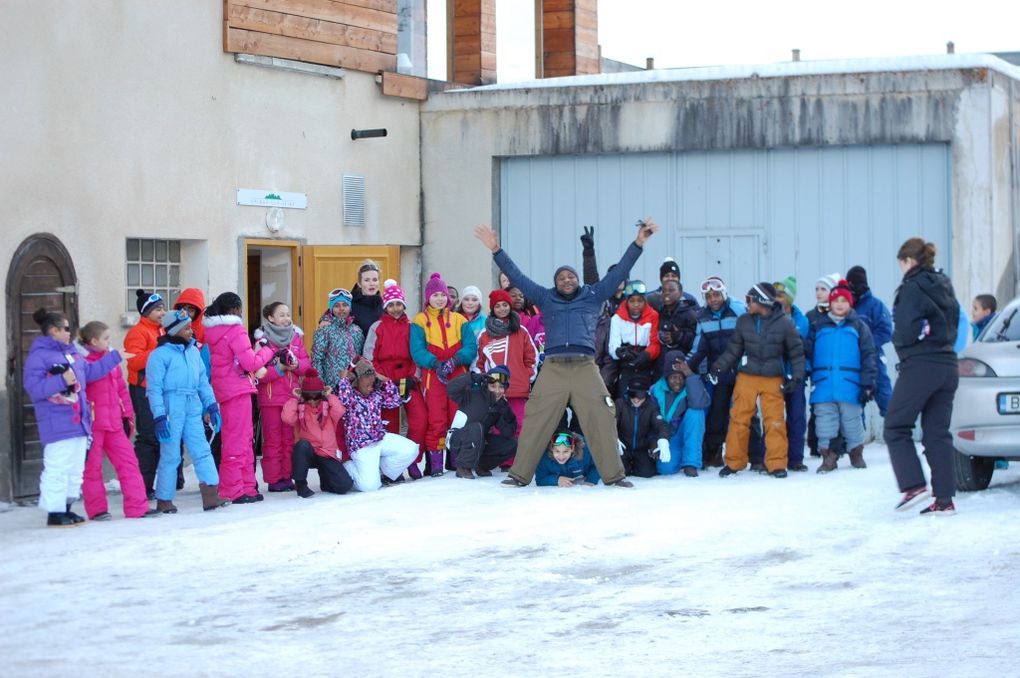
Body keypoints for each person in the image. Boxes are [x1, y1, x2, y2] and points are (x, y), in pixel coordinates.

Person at [474, 217, 658, 488]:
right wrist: (496, 250)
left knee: (602, 416)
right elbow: (518, 277)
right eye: (561, 277)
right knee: (536, 417)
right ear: (555, 283)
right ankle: (519, 475)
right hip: (554, 368)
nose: (567, 280)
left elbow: (619, 273)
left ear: (578, 279)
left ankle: (614, 475)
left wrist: (639, 243)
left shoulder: (593, 295)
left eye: (571, 276)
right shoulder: (545, 297)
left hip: (585, 367)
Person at [23, 308, 124, 527]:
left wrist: (115, 357)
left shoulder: (71, 353)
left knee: (75, 468)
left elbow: (89, 373)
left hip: (79, 422)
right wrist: (62, 380)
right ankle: (54, 511)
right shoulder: (39, 357)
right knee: (58, 467)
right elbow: (34, 388)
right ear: (53, 330)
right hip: (57, 422)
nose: (70, 332)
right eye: (66, 328)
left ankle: (66, 508)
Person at [884, 238, 962, 515]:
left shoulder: (911, 287)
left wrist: (905, 346)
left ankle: (914, 486)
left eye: (900, 264)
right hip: (948, 364)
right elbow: (955, 322)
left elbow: (905, 329)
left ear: (908, 261)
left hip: (921, 364)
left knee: (895, 426)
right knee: (937, 433)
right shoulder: (944, 285)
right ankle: (944, 500)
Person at [712, 283, 805, 478]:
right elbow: (734, 349)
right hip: (747, 375)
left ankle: (777, 464)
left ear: (761, 301)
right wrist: (718, 367)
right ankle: (734, 462)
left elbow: (796, 353)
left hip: (773, 377)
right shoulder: (744, 321)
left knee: (774, 420)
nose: (747, 304)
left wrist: (796, 377)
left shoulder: (785, 323)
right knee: (738, 417)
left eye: (750, 300)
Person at [145, 310, 228, 513]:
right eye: (186, 328)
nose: (191, 331)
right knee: (171, 454)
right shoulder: (159, 355)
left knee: (201, 448)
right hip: (171, 407)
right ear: (174, 330)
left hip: (192, 404)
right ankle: (164, 499)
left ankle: (210, 494)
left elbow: (202, 382)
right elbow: (154, 389)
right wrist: (159, 416)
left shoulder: (193, 352)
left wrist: (211, 405)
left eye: (190, 326)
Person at [203, 292, 276, 504]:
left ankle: (246, 486)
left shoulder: (213, 330)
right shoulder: (235, 329)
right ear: (235, 309)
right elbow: (251, 363)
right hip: (237, 389)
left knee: (242, 438)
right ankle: (233, 489)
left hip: (226, 389)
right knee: (239, 439)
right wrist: (267, 352)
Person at [78, 321, 154, 520]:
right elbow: (91, 376)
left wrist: (127, 415)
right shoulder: (83, 360)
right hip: (94, 424)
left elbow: (121, 390)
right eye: (105, 338)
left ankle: (138, 507)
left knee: (128, 463)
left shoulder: (111, 360)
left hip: (113, 422)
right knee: (92, 468)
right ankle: (97, 510)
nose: (109, 342)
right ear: (93, 341)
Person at [685, 276, 764, 469]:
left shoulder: (737, 309)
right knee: (717, 415)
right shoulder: (702, 316)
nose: (713, 299)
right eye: (709, 295)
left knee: (748, 413)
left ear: (724, 293)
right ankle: (713, 455)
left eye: (717, 294)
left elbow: (753, 338)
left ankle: (756, 458)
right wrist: (686, 365)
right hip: (718, 374)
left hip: (741, 373)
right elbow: (698, 347)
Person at [804, 280, 876, 473]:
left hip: (849, 384)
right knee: (824, 422)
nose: (840, 304)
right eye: (837, 300)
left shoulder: (859, 327)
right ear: (831, 303)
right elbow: (807, 352)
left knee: (852, 421)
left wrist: (868, 383)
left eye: (844, 300)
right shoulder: (818, 326)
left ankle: (856, 453)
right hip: (823, 384)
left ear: (850, 303)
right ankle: (829, 457)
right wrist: (806, 370)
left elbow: (869, 355)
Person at [410, 272, 478, 475]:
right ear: (428, 298)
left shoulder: (459, 320)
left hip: (458, 375)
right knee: (436, 419)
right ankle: (436, 464)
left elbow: (470, 347)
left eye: (442, 295)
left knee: (458, 418)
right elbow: (417, 350)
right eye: (435, 295)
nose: (439, 299)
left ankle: (455, 460)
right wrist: (436, 364)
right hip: (434, 377)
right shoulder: (419, 321)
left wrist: (455, 360)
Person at [363, 281, 428, 479]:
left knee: (419, 420)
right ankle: (390, 467)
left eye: (399, 304)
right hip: (384, 378)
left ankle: (413, 462)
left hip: (407, 377)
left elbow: (418, 353)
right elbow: (369, 355)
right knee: (388, 424)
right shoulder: (377, 327)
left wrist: (412, 377)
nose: (395, 309)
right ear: (385, 306)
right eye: (391, 305)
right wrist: (380, 378)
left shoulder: (412, 327)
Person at [334, 360, 419, 491]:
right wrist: (344, 380)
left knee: (411, 449)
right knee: (369, 487)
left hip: (380, 438)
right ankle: (349, 467)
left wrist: (385, 381)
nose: (370, 388)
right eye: (367, 385)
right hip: (362, 446)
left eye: (372, 384)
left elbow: (395, 401)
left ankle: (382, 471)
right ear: (357, 382)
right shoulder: (350, 397)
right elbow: (343, 400)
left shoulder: (376, 395)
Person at [253, 301, 311, 492]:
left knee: (289, 439)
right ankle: (274, 479)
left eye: (288, 314)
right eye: (282, 315)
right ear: (271, 318)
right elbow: (258, 373)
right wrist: (280, 369)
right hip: (271, 399)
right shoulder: (262, 342)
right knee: (273, 439)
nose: (287, 318)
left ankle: (288, 476)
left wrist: (296, 367)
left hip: (291, 397)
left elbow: (305, 364)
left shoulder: (296, 338)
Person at [124, 289, 171, 499]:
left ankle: (150, 485)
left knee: (158, 437)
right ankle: (142, 486)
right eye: (157, 309)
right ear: (146, 312)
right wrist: (159, 352)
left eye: (163, 308)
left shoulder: (161, 330)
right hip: (142, 390)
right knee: (148, 437)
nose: (162, 312)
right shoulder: (138, 332)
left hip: (159, 390)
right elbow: (133, 361)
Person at [475, 288, 538, 439]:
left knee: (520, 424)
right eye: (497, 306)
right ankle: (504, 460)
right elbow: (479, 362)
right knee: (498, 426)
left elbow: (532, 357)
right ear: (492, 309)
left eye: (505, 305)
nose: (502, 309)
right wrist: (484, 381)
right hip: (494, 391)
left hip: (517, 389)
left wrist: (526, 377)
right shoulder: (484, 334)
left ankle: (519, 461)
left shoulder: (521, 331)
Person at [282, 370, 354, 498]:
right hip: (309, 452)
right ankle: (301, 484)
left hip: (327, 453)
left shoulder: (328, 406)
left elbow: (340, 411)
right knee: (301, 446)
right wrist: (295, 399)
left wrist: (329, 396)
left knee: (344, 485)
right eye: (308, 396)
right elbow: (287, 418)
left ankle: (326, 481)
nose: (312, 400)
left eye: (316, 396)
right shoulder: (300, 407)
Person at [445, 367, 518, 478]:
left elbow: (508, 433)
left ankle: (482, 465)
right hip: (457, 439)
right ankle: (463, 467)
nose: (497, 391)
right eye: (493, 387)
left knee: (512, 444)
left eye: (501, 387)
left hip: (478, 442)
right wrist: (472, 377)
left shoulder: (500, 405)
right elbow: (451, 388)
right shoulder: (472, 394)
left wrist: (507, 412)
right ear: (486, 385)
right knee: (476, 428)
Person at [649, 351, 710, 477]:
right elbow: (649, 418)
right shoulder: (655, 390)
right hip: (665, 437)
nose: (678, 381)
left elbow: (699, 403)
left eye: (681, 377)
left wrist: (690, 375)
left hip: (684, 432)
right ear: (666, 378)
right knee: (665, 469)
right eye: (673, 377)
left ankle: (690, 463)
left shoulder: (691, 386)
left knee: (696, 413)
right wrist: (653, 440)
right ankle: (680, 455)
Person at [773, 276, 810, 471]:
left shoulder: (800, 320)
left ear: (789, 298)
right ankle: (772, 455)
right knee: (773, 416)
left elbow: (792, 344)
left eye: (780, 295)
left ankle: (795, 458)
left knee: (796, 416)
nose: (776, 298)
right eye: (774, 295)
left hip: (795, 374)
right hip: (774, 374)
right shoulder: (768, 316)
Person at [846, 266, 893, 416]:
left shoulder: (875, 305)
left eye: (854, 285)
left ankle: (895, 431)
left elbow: (886, 331)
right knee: (854, 398)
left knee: (883, 392)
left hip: (873, 358)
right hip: (852, 359)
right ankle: (858, 433)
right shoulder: (846, 305)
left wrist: (867, 344)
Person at [806, 273, 844, 458]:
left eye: (823, 289)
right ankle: (815, 445)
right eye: (817, 289)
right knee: (818, 406)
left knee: (841, 407)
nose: (819, 293)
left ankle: (839, 446)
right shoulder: (811, 316)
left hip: (838, 370)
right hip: (818, 370)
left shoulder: (838, 315)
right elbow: (806, 343)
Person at [608, 280, 661, 398]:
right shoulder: (617, 318)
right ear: (626, 301)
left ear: (645, 301)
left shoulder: (653, 316)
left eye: (640, 301)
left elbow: (655, 343)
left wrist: (646, 356)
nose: (636, 304)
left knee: (645, 398)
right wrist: (621, 353)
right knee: (624, 398)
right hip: (625, 363)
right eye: (632, 301)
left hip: (645, 363)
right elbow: (613, 344)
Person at [615, 374, 671, 478]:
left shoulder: (651, 406)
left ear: (646, 394)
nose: (636, 399)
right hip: (623, 447)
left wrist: (663, 439)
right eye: (632, 394)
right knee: (620, 472)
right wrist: (613, 437)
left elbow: (661, 424)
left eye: (640, 395)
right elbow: (611, 421)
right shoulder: (620, 404)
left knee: (646, 473)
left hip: (642, 447)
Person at [312, 288, 365, 391]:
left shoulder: (357, 330)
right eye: (337, 306)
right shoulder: (325, 330)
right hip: (332, 386)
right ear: (331, 309)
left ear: (350, 307)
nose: (341, 309)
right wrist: (320, 385)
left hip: (353, 385)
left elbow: (360, 357)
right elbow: (317, 360)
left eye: (345, 305)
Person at [651, 279, 698, 380]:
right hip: (662, 364)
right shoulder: (659, 313)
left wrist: (678, 336)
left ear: (680, 293)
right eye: (664, 290)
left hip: (682, 365)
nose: (667, 293)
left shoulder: (690, 314)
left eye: (671, 290)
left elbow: (697, 340)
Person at [536, 431, 600, 487]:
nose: (561, 457)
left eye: (565, 451)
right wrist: (556, 480)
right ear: (552, 449)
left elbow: (597, 465)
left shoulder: (584, 453)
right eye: (557, 451)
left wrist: (590, 480)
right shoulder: (545, 459)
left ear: (572, 449)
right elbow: (540, 479)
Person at [350, 259, 384, 337]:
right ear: (359, 283)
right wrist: (325, 319)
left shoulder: (385, 305)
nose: (371, 284)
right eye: (366, 280)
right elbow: (335, 311)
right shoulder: (350, 304)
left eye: (375, 280)